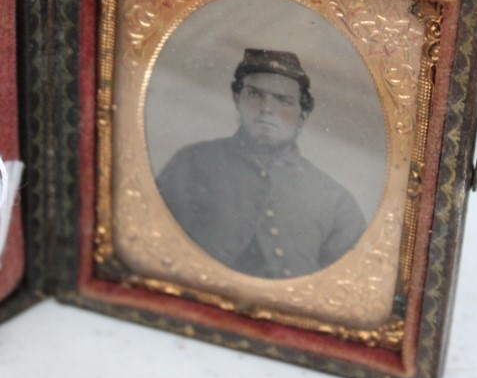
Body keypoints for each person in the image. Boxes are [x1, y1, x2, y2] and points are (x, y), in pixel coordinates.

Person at [156, 48, 366, 279]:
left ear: (303, 113)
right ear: (237, 98)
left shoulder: (337, 202)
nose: (267, 108)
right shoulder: (193, 162)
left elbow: (348, 285)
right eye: (255, 94)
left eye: (284, 100)